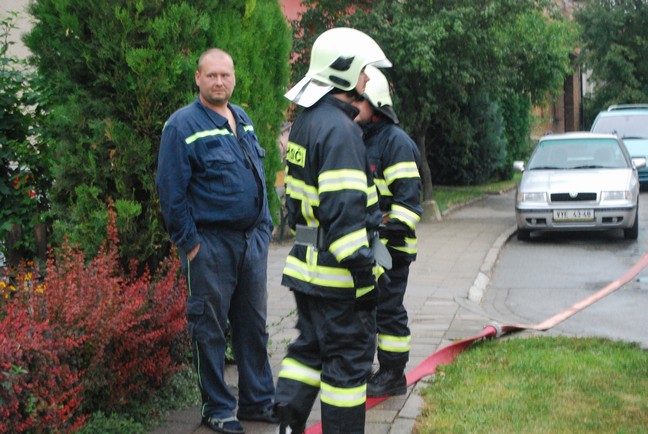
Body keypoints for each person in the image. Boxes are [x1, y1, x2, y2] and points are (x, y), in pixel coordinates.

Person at [273, 27, 392, 434]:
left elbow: (295, 204)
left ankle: (285, 425)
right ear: (344, 71)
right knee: (347, 366)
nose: (366, 82)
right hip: (338, 278)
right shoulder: (342, 132)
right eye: (363, 73)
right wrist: (365, 280)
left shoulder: (307, 123)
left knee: (307, 352)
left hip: (307, 270)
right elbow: (345, 219)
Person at [156, 48, 277, 434]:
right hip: (209, 246)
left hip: (251, 243)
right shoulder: (181, 125)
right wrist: (191, 244)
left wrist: (265, 226)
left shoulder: (242, 118)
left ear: (234, 77)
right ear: (197, 78)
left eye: (225, 75)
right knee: (208, 329)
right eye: (211, 76)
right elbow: (171, 193)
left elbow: (259, 171)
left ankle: (258, 401)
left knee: (253, 326)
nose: (219, 82)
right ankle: (217, 408)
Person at [353, 65, 423, 397]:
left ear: (376, 102)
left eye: (359, 100)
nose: (353, 106)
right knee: (366, 308)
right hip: (369, 245)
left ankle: (393, 375)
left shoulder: (395, 143)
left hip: (391, 249)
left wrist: (378, 227)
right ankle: (366, 368)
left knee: (388, 310)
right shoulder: (362, 138)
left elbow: (408, 205)